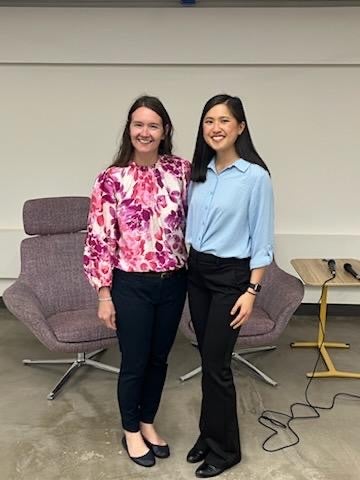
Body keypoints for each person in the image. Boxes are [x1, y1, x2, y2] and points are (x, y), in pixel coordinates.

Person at [84, 95, 191, 468]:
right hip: (131, 285)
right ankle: (130, 428)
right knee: (135, 360)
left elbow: (201, 220)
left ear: (165, 132)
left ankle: (147, 421)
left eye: (153, 125)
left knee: (160, 359)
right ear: (129, 129)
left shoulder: (181, 172)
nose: (145, 132)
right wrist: (104, 294)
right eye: (138, 124)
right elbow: (100, 239)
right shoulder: (111, 179)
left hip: (174, 281)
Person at [185, 94, 274, 478]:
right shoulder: (198, 171)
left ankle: (227, 449)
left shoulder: (255, 176)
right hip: (197, 272)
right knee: (207, 360)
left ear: (240, 127)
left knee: (218, 365)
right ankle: (209, 433)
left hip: (231, 279)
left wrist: (251, 292)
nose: (215, 128)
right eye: (208, 120)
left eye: (224, 120)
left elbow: (262, 241)